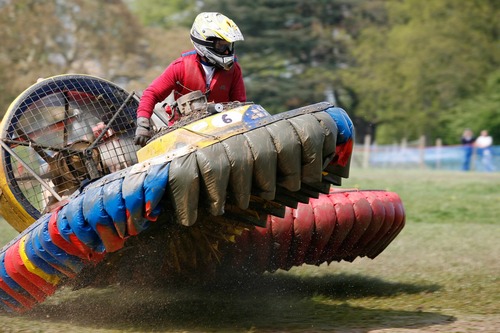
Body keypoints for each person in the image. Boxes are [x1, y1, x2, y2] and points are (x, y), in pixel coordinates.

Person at [134, 12, 246, 147]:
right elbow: (151, 94)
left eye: (228, 46)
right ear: (204, 42)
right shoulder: (180, 67)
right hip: (183, 135)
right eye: (221, 46)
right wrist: (143, 124)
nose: (227, 52)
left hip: (222, 133)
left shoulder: (234, 70)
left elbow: (240, 104)